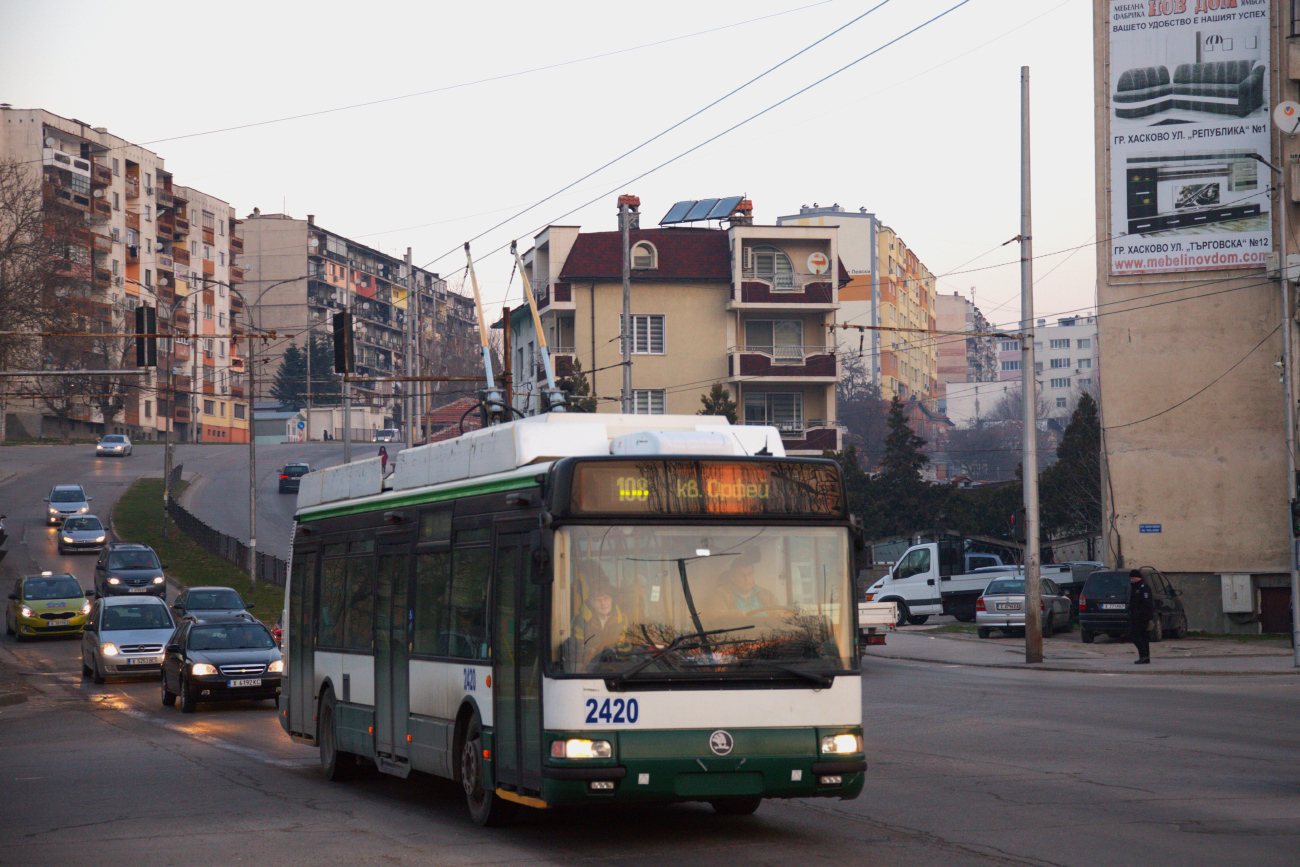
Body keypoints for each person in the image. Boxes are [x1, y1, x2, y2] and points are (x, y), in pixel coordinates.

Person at [571, 578, 629, 664]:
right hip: (588, 669)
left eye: (606, 598)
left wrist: (615, 651)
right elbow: (576, 649)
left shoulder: (622, 620)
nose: (603, 603)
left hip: (615, 667)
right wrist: (595, 651)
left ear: (611, 600)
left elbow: (626, 645)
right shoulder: (580, 620)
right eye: (598, 599)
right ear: (591, 602)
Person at [707, 558, 779, 614]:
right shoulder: (720, 595)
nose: (746, 579)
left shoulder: (768, 595)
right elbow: (717, 617)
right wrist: (733, 615)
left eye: (749, 574)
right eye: (741, 574)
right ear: (732, 577)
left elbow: (779, 615)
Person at [1128, 568, 1154, 664]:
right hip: (1136, 616)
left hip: (1141, 617)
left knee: (1134, 634)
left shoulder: (1143, 587)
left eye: (1132, 578)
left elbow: (1146, 603)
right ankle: (1144, 656)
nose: (1131, 580)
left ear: (1136, 577)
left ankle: (1144, 655)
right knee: (1142, 636)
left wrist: (1141, 615)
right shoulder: (1136, 587)